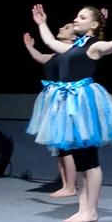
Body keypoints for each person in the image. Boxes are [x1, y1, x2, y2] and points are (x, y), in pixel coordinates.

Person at [27, 2, 112, 222]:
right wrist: (42, 23)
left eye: (82, 17)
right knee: (80, 160)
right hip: (68, 103)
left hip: (83, 103)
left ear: (94, 24)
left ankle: (92, 210)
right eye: (77, 16)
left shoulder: (94, 47)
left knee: (90, 160)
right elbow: (50, 42)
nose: (76, 20)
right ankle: (83, 209)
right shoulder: (73, 47)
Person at [23, 22, 83, 198]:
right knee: (59, 146)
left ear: (74, 36)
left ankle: (71, 186)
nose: (61, 28)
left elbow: (94, 48)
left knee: (66, 144)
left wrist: (99, 27)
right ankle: (66, 184)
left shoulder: (74, 53)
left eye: (66, 28)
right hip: (54, 101)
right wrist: (29, 47)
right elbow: (40, 57)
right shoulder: (55, 55)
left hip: (66, 100)